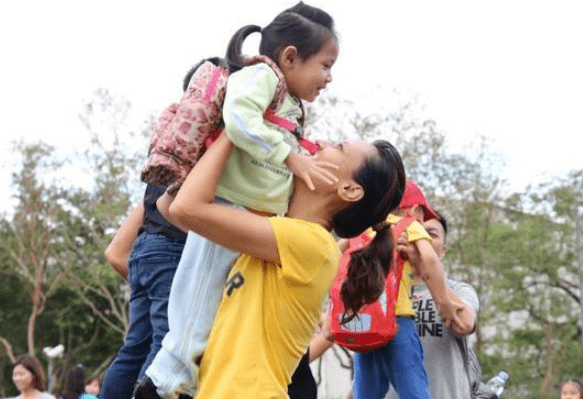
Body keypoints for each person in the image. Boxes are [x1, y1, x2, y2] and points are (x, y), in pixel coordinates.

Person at [137, 3, 340, 398]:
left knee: (212, 298)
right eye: (326, 65)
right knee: (197, 298)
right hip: (230, 206)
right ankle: (165, 382)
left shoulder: (289, 102)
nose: (330, 78)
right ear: (290, 57)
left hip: (249, 212)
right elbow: (240, 119)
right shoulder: (262, 75)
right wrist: (293, 158)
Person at [137, 127, 405, 399]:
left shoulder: (314, 246)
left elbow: (186, 208)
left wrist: (239, 127)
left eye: (338, 146)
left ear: (349, 190)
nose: (321, 142)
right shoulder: (272, 229)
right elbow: (170, 207)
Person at [346, 181, 465, 399]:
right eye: (422, 213)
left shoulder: (365, 228)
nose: (422, 219)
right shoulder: (409, 225)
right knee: (413, 387)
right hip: (397, 320)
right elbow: (429, 260)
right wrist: (443, 303)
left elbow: (335, 256)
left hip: (364, 322)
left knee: (366, 391)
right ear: (414, 209)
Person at [98, 182, 187, 399]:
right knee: (167, 343)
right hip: (174, 245)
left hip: (144, 248)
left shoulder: (163, 160)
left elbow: (114, 253)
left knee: (135, 347)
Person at [386, 212, 480, 399]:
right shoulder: (382, 292)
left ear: (442, 251)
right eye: (414, 231)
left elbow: (463, 325)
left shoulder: (460, 290)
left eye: (431, 234)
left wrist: (426, 268)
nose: (421, 239)